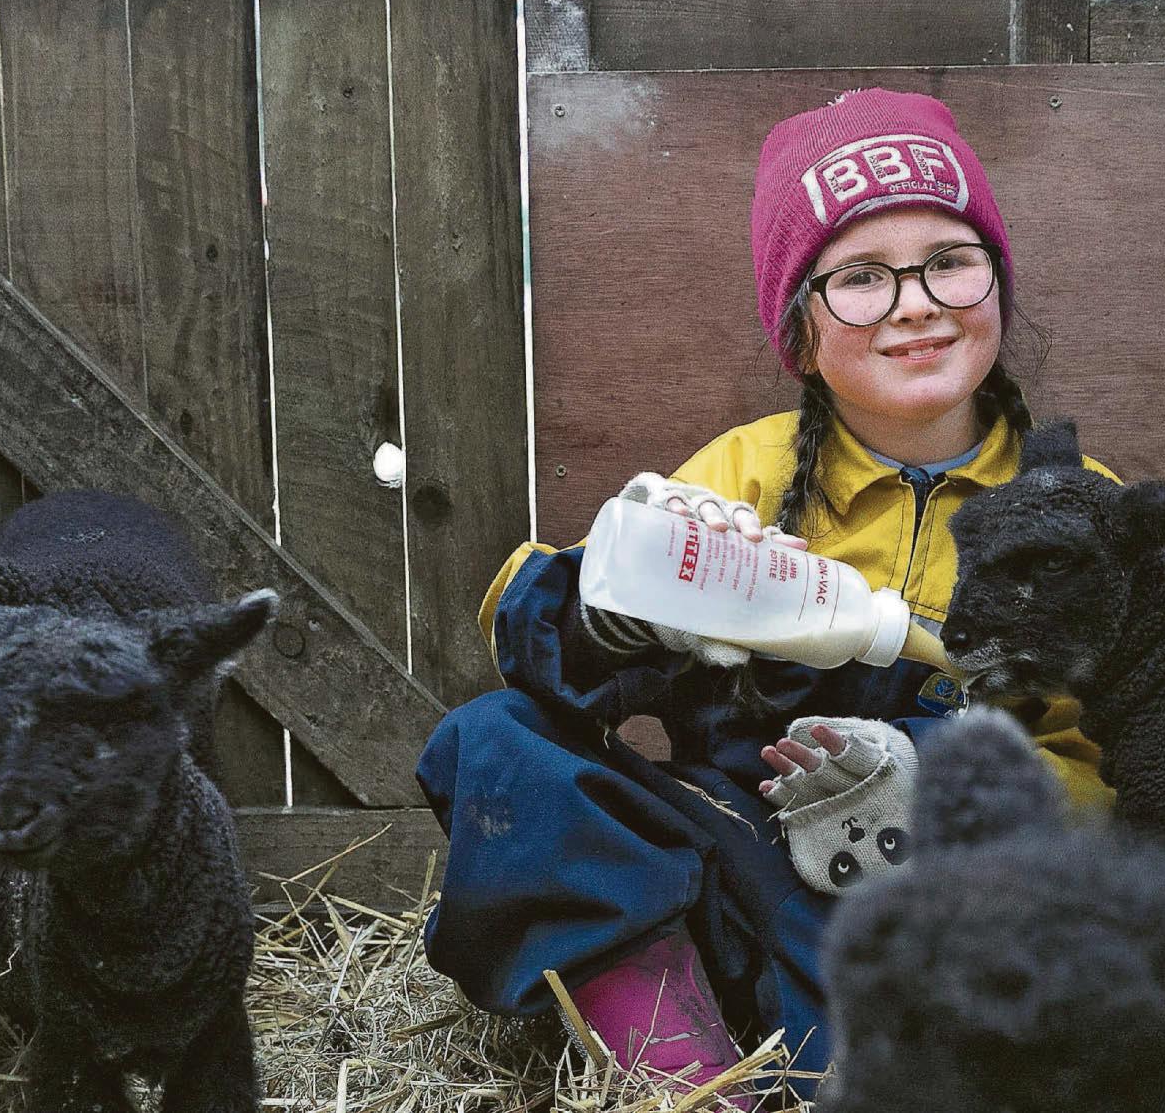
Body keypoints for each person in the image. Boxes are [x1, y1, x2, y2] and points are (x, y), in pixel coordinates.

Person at [416, 88, 1117, 1105]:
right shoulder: (739, 478)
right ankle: (690, 1078)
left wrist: (936, 796)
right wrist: (610, 616)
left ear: (996, 286)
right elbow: (537, 647)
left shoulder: (1080, 512)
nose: (915, 303)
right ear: (797, 334)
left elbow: (1122, 768)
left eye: (947, 262)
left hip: (940, 909)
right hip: (737, 866)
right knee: (497, 742)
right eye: (861, 279)